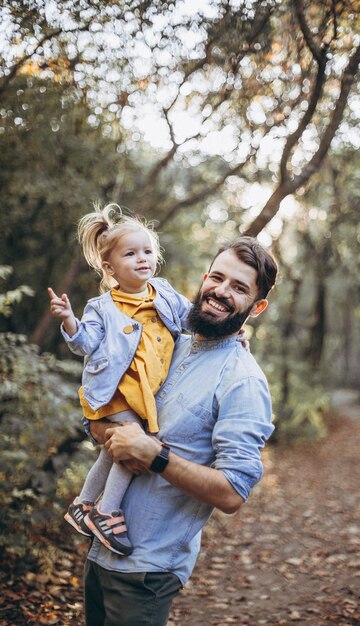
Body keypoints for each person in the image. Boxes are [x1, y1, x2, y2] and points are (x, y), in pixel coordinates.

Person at [83, 235, 278, 626]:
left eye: (238, 288)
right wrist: (109, 433)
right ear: (205, 278)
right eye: (218, 278)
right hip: (99, 551)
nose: (221, 292)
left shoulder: (243, 381)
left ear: (256, 307)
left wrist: (155, 457)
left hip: (148, 570)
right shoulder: (168, 344)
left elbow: (232, 493)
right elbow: (102, 419)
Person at [48, 204, 192, 556]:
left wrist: (232, 331)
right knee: (132, 445)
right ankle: (106, 511)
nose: (142, 259)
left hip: (145, 396)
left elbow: (193, 320)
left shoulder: (165, 293)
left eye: (147, 251)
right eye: (131, 254)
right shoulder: (103, 307)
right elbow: (84, 343)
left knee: (112, 455)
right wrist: (69, 319)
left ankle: (82, 504)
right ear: (110, 268)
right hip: (116, 394)